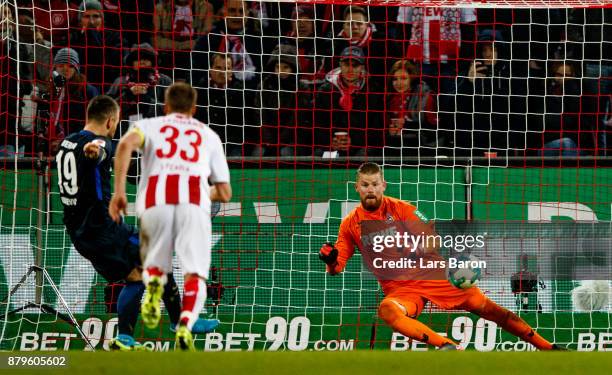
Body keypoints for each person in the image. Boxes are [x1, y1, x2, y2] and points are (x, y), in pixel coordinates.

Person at [319, 162, 565, 351]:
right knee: (387, 311)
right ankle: (445, 345)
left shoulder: (402, 209)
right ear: (357, 187)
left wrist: (414, 250)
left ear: (383, 185)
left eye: (374, 184)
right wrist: (330, 261)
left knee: (494, 312)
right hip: (401, 291)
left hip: (436, 276)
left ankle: (548, 347)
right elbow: (336, 268)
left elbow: (433, 239)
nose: (370, 189)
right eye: (365, 185)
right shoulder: (350, 224)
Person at [57, 95, 219, 351]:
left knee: (138, 276)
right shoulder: (100, 142)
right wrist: (96, 151)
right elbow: (97, 150)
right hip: (103, 227)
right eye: (116, 121)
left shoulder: (67, 142)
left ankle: (127, 337)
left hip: (80, 234)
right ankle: (178, 323)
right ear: (110, 120)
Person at [109, 82, 232, 351]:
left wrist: (119, 191)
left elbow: (123, 147)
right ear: (194, 108)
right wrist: (201, 193)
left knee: (149, 264)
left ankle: (154, 282)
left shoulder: (150, 125)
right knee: (194, 273)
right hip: (192, 206)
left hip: (154, 203)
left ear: (165, 106)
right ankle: (185, 322)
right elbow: (224, 192)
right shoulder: (208, 135)